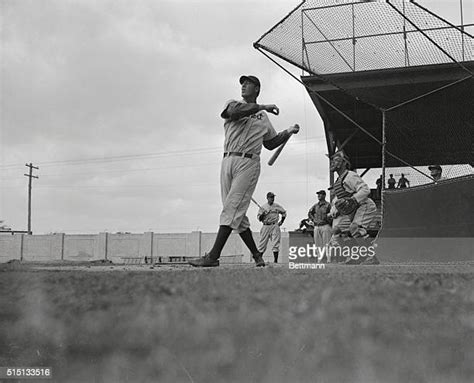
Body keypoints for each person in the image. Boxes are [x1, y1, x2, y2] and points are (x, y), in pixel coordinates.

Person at [189, 75, 300, 267]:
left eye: (247, 83)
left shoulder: (263, 118)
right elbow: (233, 112)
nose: (243, 86)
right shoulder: (234, 104)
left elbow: (271, 143)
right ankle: (257, 255)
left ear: (256, 88)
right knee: (236, 216)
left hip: (248, 162)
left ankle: (213, 256)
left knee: (231, 209)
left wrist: (287, 132)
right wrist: (263, 106)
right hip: (227, 159)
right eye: (242, 83)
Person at [328, 151, 377, 239]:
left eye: (336, 160)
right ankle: (349, 251)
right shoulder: (339, 180)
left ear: (343, 163)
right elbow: (341, 197)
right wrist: (334, 211)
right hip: (352, 210)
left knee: (355, 229)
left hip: (364, 205)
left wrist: (352, 199)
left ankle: (371, 251)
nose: (332, 163)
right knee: (337, 232)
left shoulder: (350, 176)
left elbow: (365, 190)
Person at [257, 192, 287, 263]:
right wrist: (264, 214)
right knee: (262, 244)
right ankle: (259, 260)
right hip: (265, 225)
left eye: (273, 197)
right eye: (270, 197)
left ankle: (275, 261)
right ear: (267, 198)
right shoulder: (263, 207)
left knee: (275, 243)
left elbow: (284, 213)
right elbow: (259, 219)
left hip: (274, 225)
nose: (272, 199)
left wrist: (281, 221)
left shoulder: (276, 206)